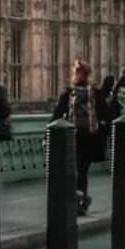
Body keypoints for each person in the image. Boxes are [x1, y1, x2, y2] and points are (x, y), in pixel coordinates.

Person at [52, 60, 109, 214]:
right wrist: (101, 134)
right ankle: (81, 200)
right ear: (89, 74)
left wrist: (48, 135)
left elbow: (56, 115)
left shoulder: (68, 92)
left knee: (73, 169)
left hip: (72, 136)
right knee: (82, 171)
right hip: (90, 137)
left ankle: (76, 199)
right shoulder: (95, 92)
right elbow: (106, 115)